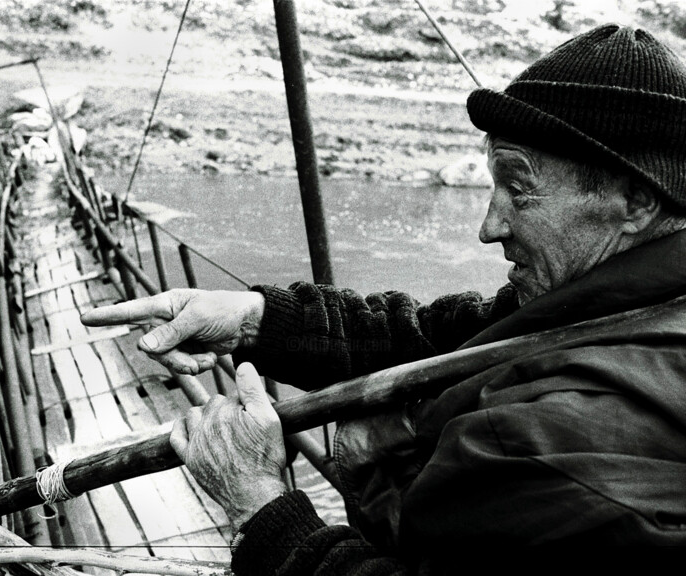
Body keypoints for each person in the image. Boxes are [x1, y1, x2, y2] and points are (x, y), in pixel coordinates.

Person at [81, 24, 686, 570]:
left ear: (634, 202)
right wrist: (253, 321)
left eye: (518, 187)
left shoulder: (553, 441)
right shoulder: (619, 306)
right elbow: (438, 338)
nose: (489, 225)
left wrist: (260, 509)